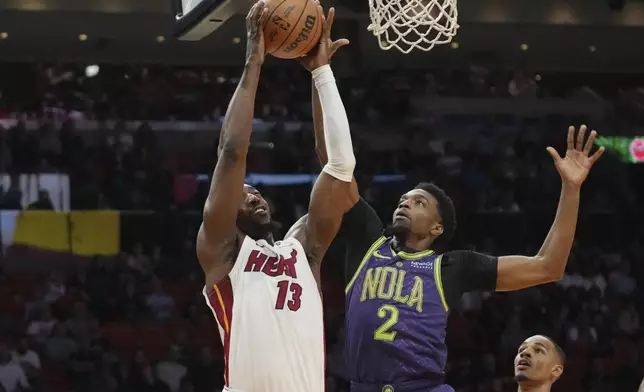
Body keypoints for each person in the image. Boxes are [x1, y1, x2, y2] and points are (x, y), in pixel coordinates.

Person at [305, 118, 604, 391]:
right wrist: (321, 74)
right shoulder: (368, 243)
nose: (405, 204)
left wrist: (571, 188)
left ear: (437, 227)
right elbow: (335, 165)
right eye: (403, 200)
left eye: (419, 202)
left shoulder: (452, 267)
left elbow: (548, 266)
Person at [196, 2, 354, 392]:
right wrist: (254, 61)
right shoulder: (221, 251)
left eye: (256, 192)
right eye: (243, 194)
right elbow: (232, 152)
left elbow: (340, 166)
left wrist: (322, 73)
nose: (253, 197)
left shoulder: (304, 248)